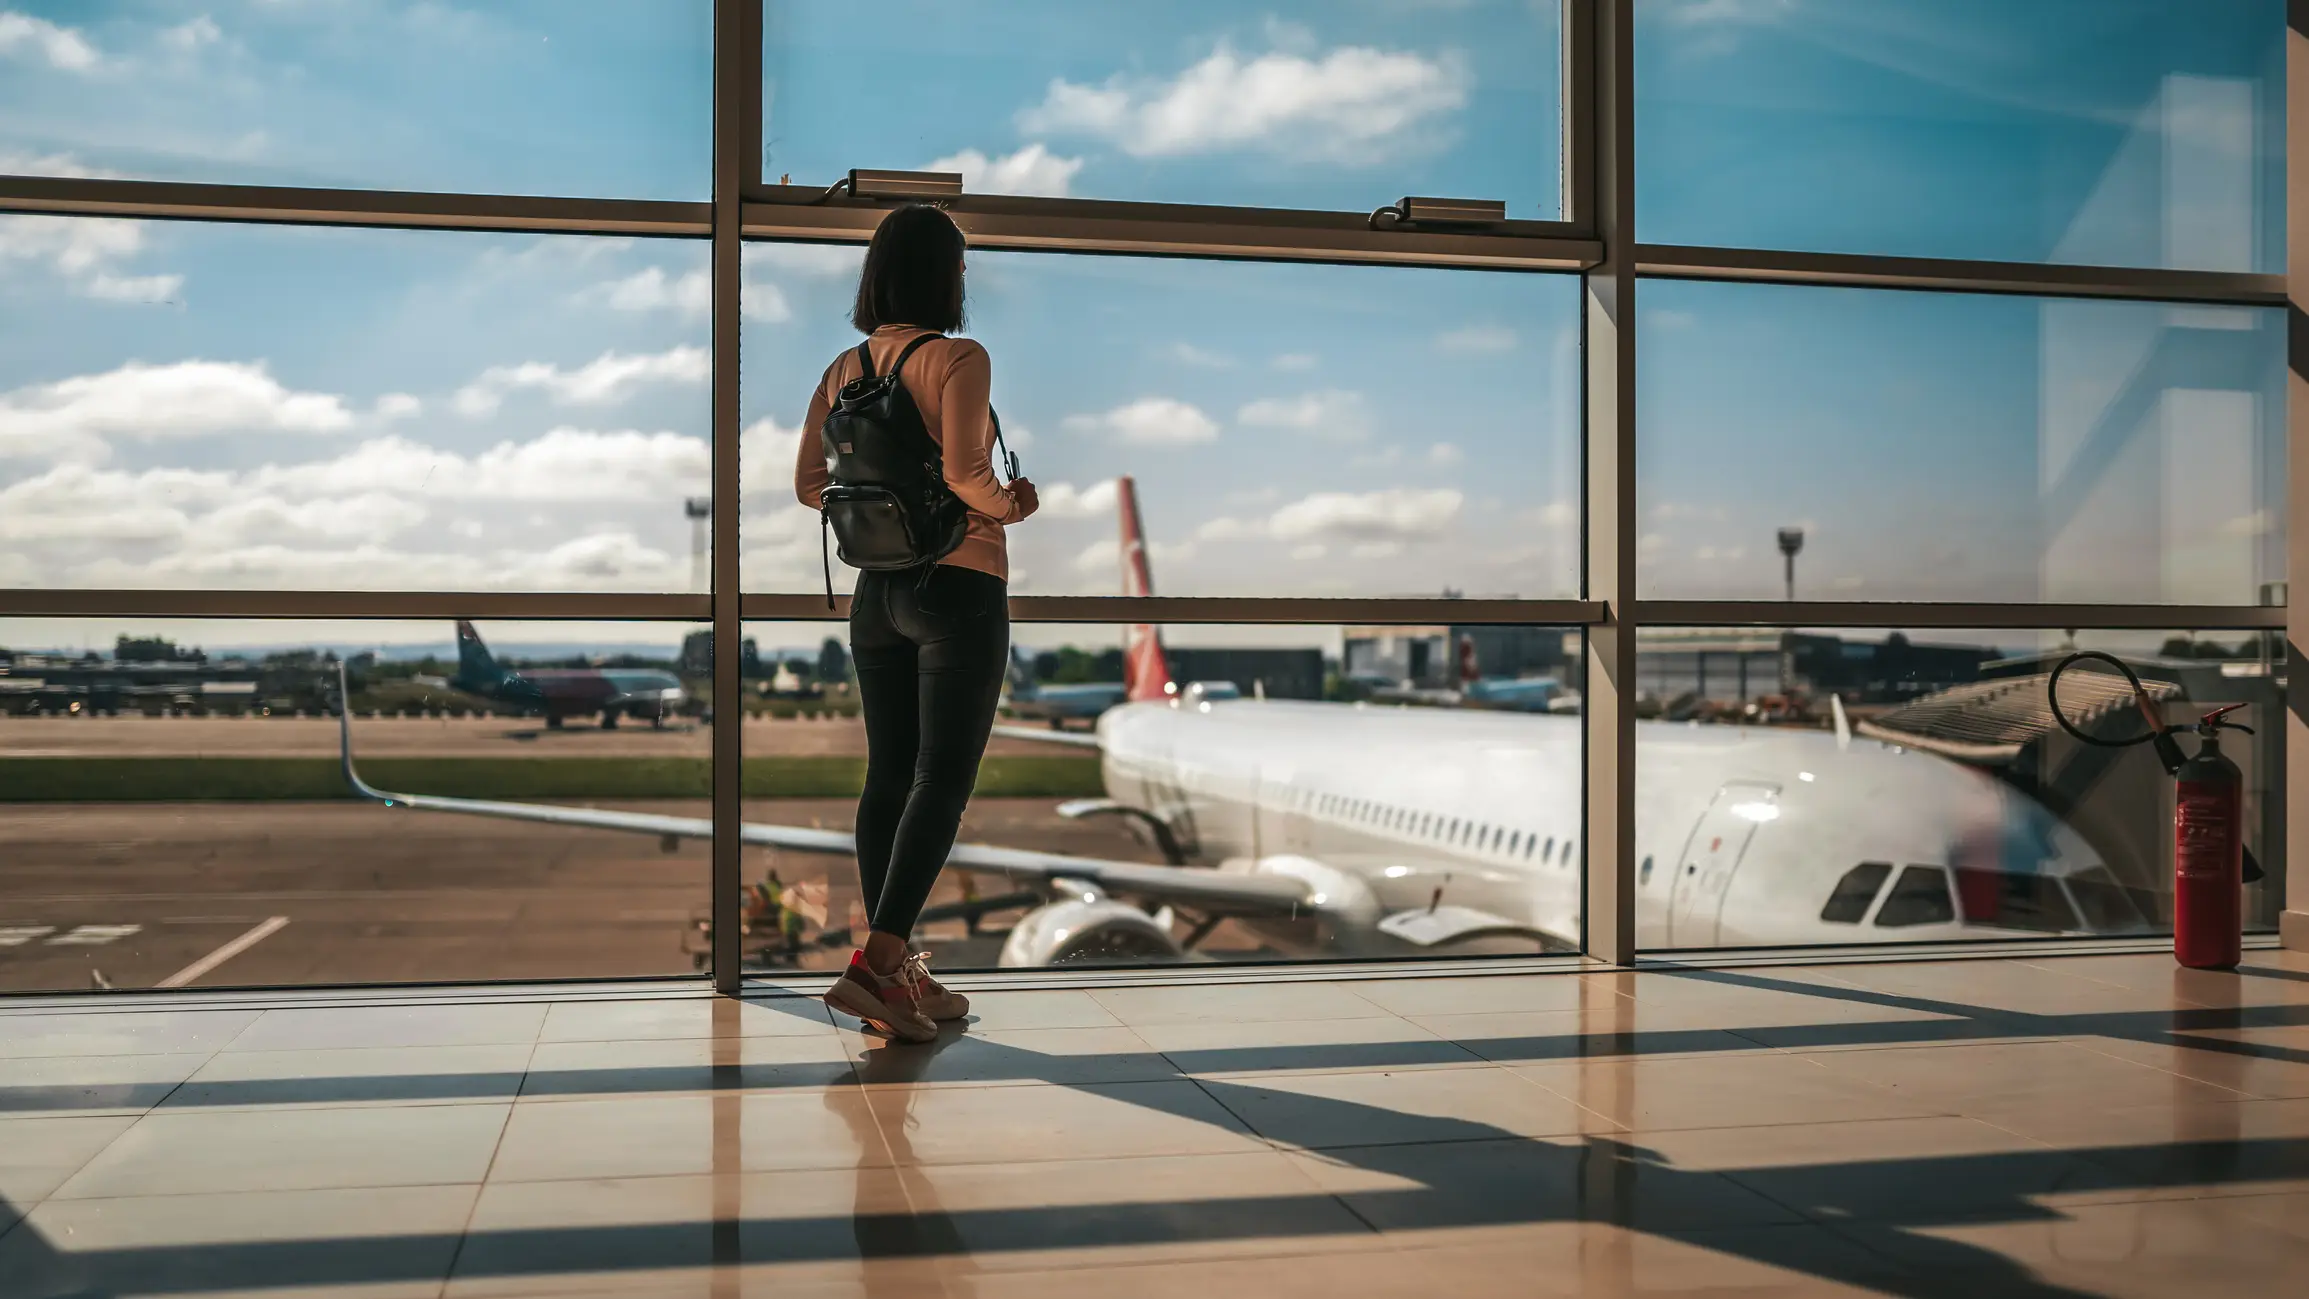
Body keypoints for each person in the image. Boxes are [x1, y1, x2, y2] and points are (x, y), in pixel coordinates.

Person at [793, 204, 1038, 1043]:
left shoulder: (842, 368)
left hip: (875, 597)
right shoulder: (958, 357)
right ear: (943, 276)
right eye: (961, 269)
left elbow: (806, 484)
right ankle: (876, 964)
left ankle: (894, 975)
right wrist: (1014, 504)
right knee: (943, 779)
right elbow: (971, 477)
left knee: (887, 776)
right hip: (959, 583)